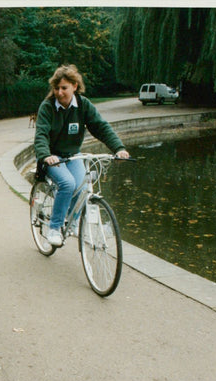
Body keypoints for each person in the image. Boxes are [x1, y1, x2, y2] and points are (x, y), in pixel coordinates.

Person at [33, 64, 129, 247]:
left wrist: (118, 148)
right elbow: (41, 135)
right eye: (56, 88)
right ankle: (54, 228)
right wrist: (45, 155)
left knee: (82, 184)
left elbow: (101, 127)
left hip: (72, 155)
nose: (59, 92)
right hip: (52, 158)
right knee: (67, 183)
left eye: (64, 88)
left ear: (75, 86)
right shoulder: (47, 107)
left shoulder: (83, 105)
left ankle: (73, 221)